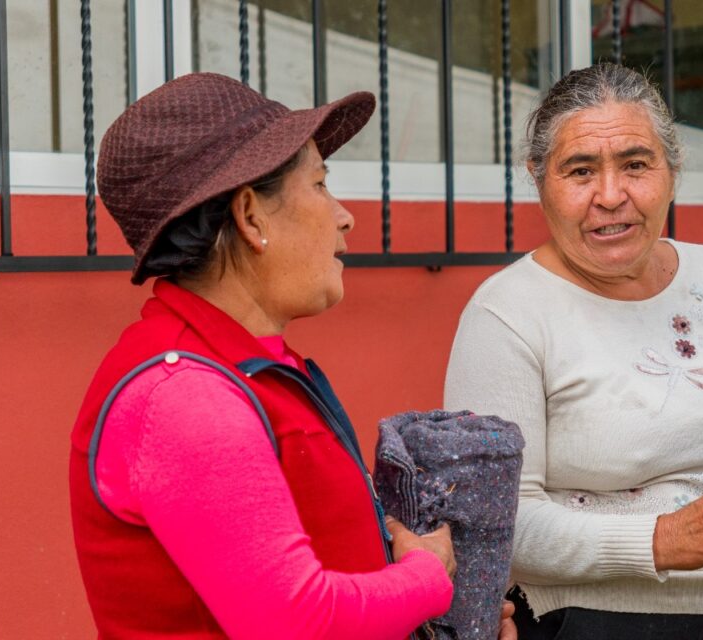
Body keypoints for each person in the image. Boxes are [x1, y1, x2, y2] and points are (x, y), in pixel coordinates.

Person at [69, 72, 516, 639]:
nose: (344, 215)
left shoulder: (242, 365)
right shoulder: (186, 397)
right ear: (251, 216)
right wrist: (426, 578)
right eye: (321, 184)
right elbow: (295, 620)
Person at [443, 63, 703, 640]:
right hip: (598, 622)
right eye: (580, 171)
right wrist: (660, 540)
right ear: (538, 178)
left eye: (636, 165)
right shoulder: (507, 314)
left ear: (672, 171)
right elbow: (496, 523)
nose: (611, 196)